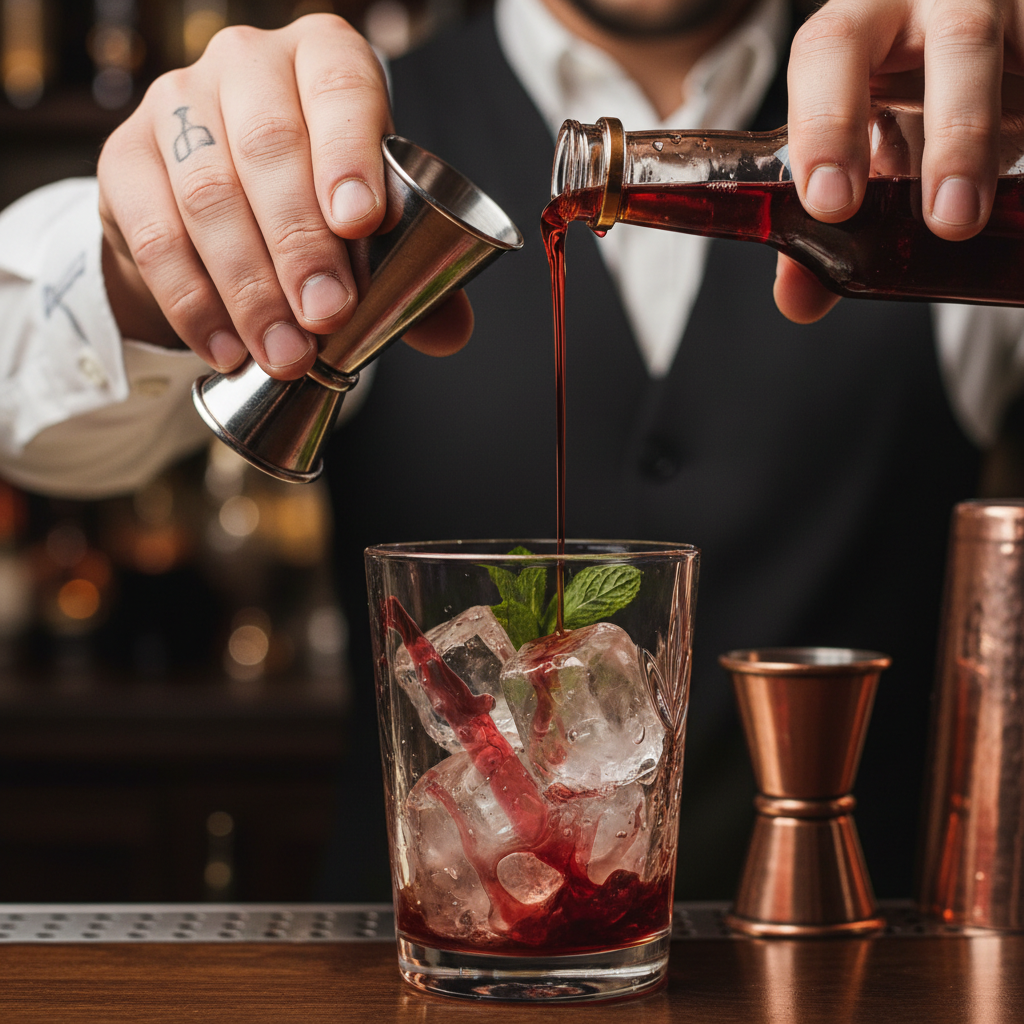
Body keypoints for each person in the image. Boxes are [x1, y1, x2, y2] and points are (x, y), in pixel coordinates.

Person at [3, 0, 1024, 900]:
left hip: (858, 975)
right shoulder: (351, 141)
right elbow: (26, 421)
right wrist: (137, 271)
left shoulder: (941, 129)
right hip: (438, 973)